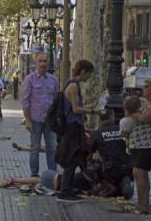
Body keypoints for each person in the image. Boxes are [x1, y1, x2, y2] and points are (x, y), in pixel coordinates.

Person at [55, 59, 98, 202]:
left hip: (75, 126)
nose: (89, 78)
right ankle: (64, 191)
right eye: (89, 74)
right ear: (84, 71)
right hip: (72, 127)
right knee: (72, 159)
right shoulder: (73, 86)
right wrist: (93, 111)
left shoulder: (73, 84)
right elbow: (75, 109)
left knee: (76, 158)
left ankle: (68, 188)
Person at [128, 78, 151, 214]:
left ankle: (142, 206)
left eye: (147, 86)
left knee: (140, 172)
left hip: (148, 144)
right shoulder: (143, 103)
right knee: (138, 173)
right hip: (137, 143)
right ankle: (143, 204)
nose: (143, 89)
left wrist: (131, 112)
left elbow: (145, 118)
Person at [20, 53, 59, 177]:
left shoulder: (54, 80)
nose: (43, 63)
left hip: (50, 120)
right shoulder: (29, 79)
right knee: (35, 148)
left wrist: (57, 118)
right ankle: (34, 175)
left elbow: (57, 100)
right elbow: (25, 101)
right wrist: (28, 120)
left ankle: (52, 174)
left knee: (52, 148)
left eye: (45, 61)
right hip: (35, 120)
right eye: (40, 61)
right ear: (36, 63)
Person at [89, 109, 134, 200]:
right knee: (124, 174)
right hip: (126, 166)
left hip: (109, 169)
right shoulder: (121, 129)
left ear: (100, 119)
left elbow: (89, 152)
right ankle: (125, 183)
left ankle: (109, 186)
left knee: (94, 165)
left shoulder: (97, 133)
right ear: (111, 117)